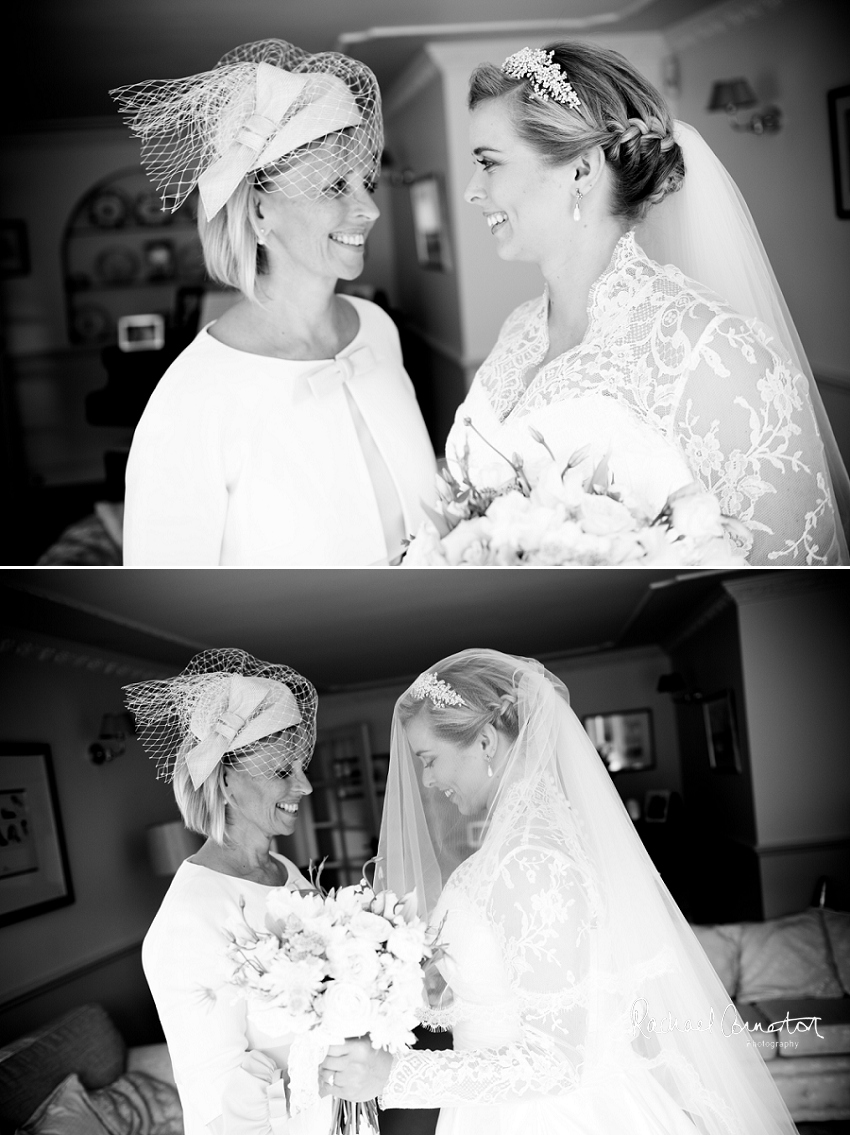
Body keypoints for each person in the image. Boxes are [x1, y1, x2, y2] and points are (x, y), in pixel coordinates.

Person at [320, 649, 798, 1134]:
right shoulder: (517, 848)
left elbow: (558, 1061)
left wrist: (394, 1076)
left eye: (430, 759)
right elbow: (505, 995)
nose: (426, 779)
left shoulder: (530, 861)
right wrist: (384, 986)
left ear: (485, 742)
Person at [444, 42, 850, 565]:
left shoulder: (715, 355)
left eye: (489, 163)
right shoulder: (515, 331)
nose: (471, 191)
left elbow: (797, 573)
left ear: (582, 171)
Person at [111, 40, 436, 566]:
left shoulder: (377, 329)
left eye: (366, 183)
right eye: (334, 186)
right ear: (261, 213)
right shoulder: (192, 398)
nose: (371, 209)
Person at [123, 648, 328, 1134]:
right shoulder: (191, 918)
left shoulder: (283, 870)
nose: (306, 785)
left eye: (301, 766)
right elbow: (220, 1107)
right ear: (228, 781)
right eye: (284, 771)